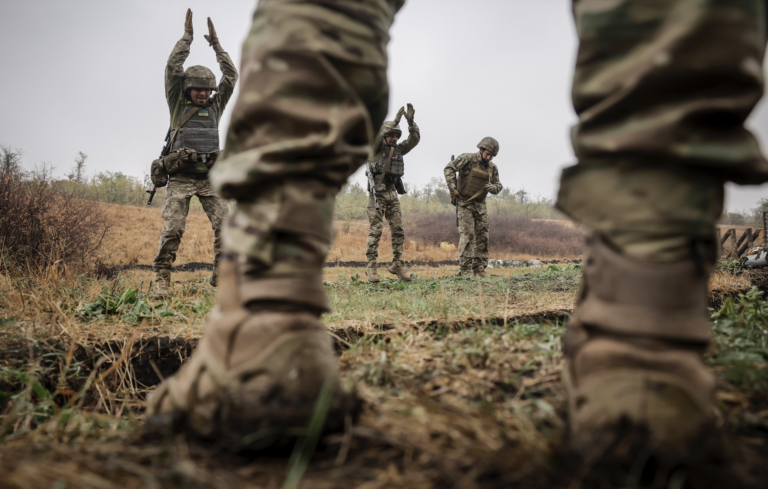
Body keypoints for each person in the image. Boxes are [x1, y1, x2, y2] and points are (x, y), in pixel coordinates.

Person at [146, 0, 768, 465]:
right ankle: (647, 340)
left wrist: (420, 134)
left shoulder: (473, 165)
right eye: (197, 87)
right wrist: (187, 44)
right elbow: (402, 157)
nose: (202, 92)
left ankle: (264, 326)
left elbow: (417, 146)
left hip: (366, 194)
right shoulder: (439, 158)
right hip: (305, 188)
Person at [150, 9, 238, 296]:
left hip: (211, 179)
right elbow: (172, 68)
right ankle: (161, 279)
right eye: (197, 89)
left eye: (207, 89)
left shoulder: (215, 106)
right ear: (187, 89)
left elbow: (231, 75)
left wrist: (216, 45)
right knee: (174, 228)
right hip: (181, 178)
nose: (203, 93)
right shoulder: (177, 105)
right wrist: (186, 38)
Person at [365, 104, 420, 282]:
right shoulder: (374, 149)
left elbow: (414, 140)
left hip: (392, 195)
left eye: (397, 135)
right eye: (391, 135)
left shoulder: (398, 149)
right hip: (377, 196)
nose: (395, 138)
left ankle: (398, 264)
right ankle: (371, 267)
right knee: (376, 231)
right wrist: (395, 121)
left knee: (398, 230)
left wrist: (410, 122)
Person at [444, 138, 502, 277]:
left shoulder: (492, 167)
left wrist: (493, 188)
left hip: (480, 205)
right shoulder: (467, 158)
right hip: (464, 203)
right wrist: (452, 188)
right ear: (481, 150)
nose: (489, 157)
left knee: (483, 236)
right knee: (468, 235)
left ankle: (479, 268)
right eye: (487, 154)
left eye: (492, 156)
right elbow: (449, 168)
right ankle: (465, 270)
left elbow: (499, 185)